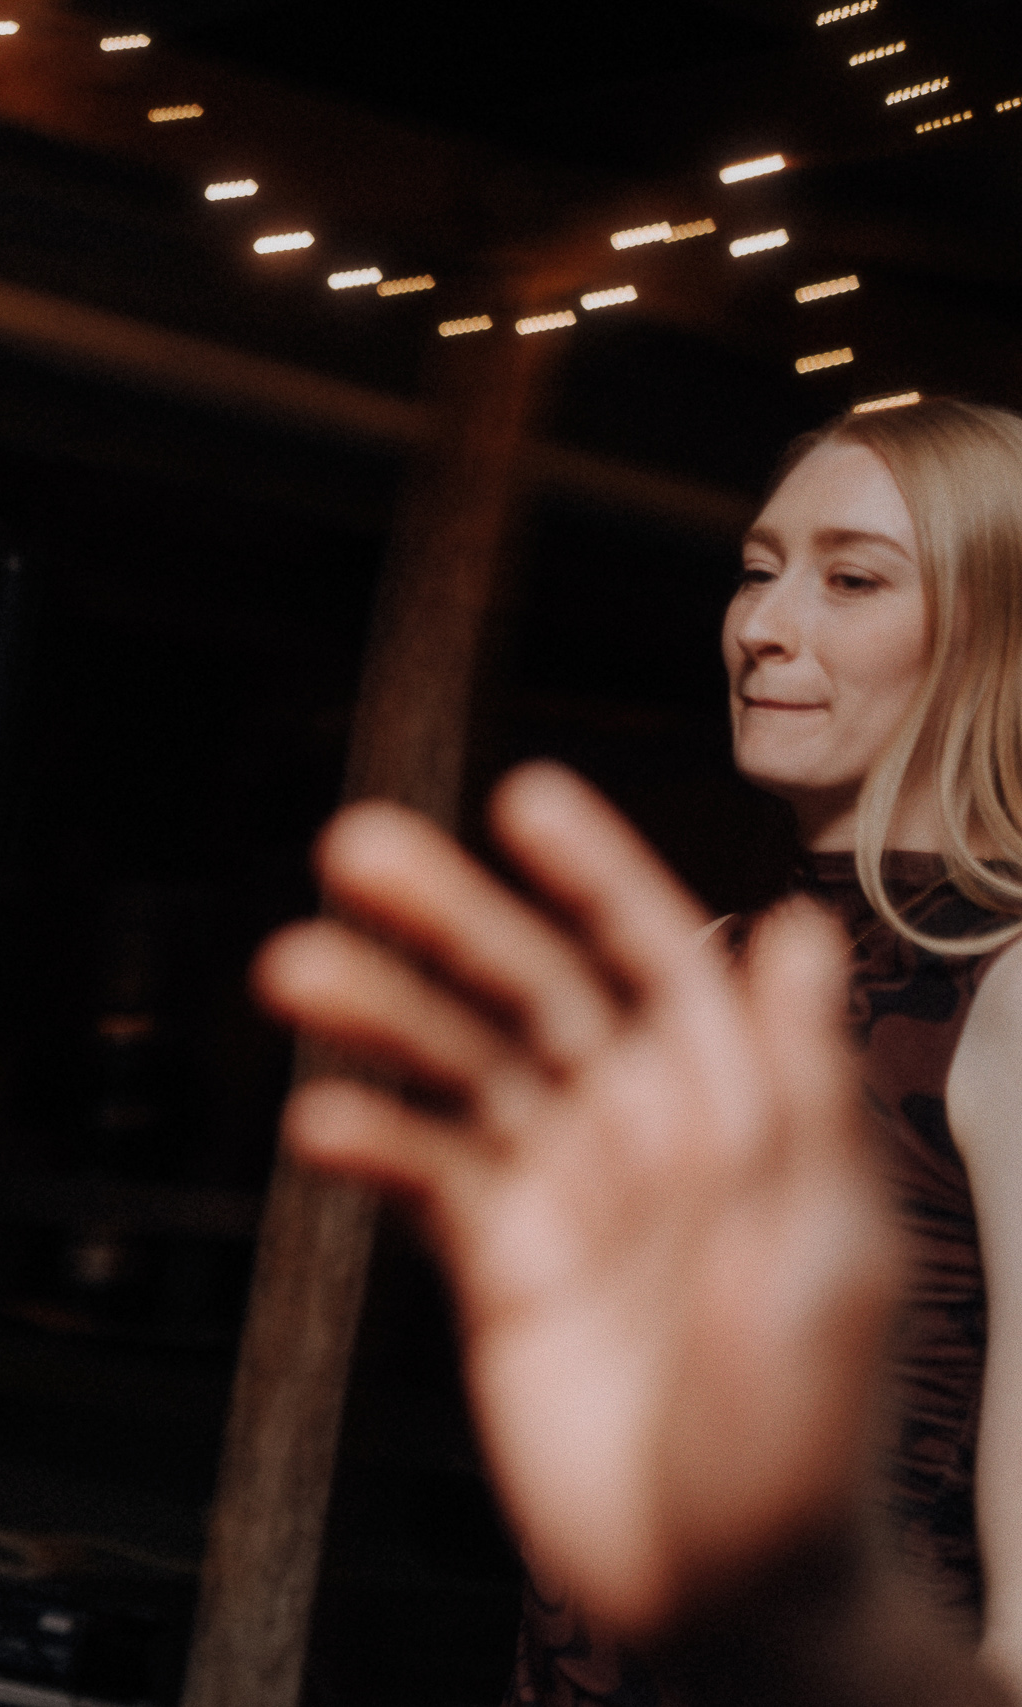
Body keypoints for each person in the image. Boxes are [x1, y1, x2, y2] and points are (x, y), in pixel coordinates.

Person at [260, 395, 1022, 1703]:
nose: (763, 628)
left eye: (851, 578)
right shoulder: (714, 965)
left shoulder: (1008, 985)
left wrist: (810, 1617)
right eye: (757, 570)